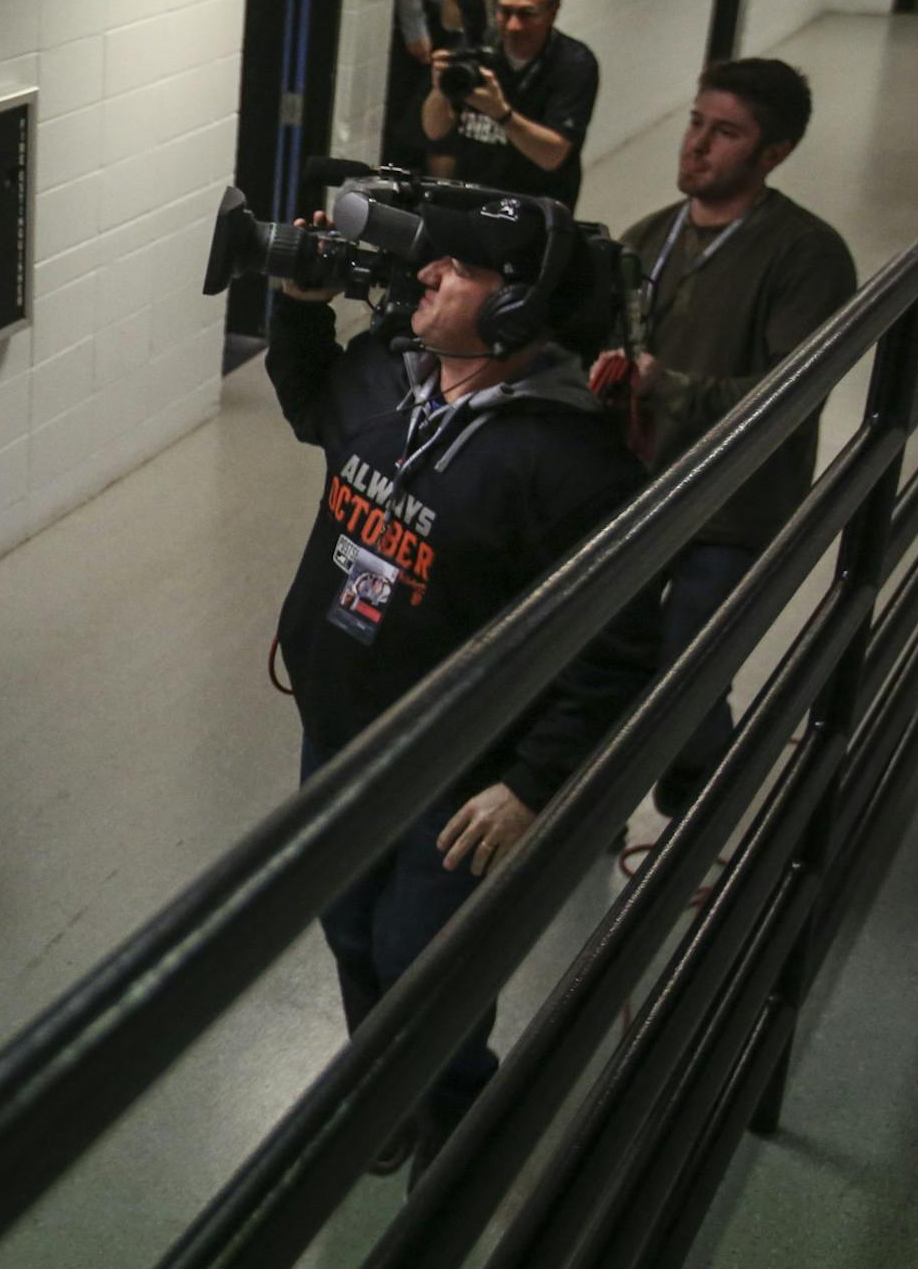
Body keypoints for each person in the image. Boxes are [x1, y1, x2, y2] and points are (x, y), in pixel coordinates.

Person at [268, 199, 657, 1182]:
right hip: (341, 732)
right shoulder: (390, 384)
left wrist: (532, 783)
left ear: (519, 307)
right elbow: (310, 396)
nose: (430, 274)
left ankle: (457, 1122)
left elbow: (616, 648)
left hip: (459, 768)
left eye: (463, 269)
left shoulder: (571, 467)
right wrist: (301, 308)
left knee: (420, 960)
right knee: (348, 925)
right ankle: (380, 1094)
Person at [590, 60, 856, 818]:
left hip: (733, 509)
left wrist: (662, 386)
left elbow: (791, 397)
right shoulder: (649, 238)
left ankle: (699, 812)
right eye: (696, 123)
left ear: (773, 153)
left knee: (689, 677)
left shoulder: (806, 254)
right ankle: (598, 814)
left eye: (726, 133)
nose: (697, 146)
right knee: (606, 660)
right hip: (640, 495)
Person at [422, 0, 598, 208]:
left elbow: (552, 156)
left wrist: (502, 114)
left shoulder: (574, 64)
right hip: (472, 202)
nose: (514, 25)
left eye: (527, 14)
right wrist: (440, 90)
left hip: (538, 209)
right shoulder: (475, 47)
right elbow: (434, 130)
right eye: (505, 12)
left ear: (553, 11)